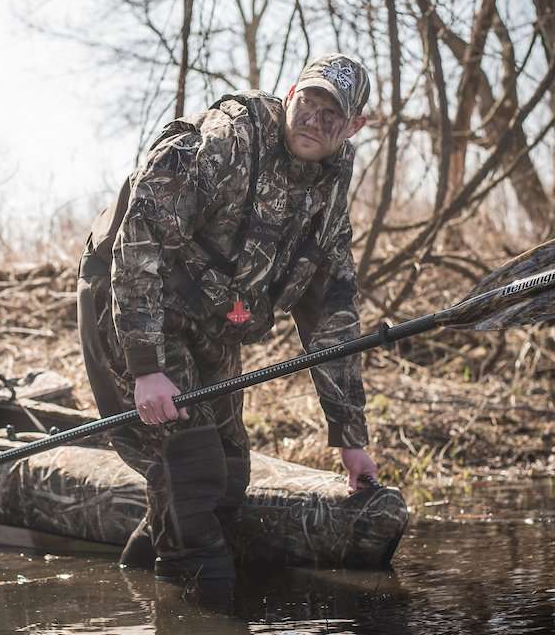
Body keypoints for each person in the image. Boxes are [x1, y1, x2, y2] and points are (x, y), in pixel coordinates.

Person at [76, 53, 375, 594]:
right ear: (290, 93)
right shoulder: (227, 141)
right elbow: (139, 243)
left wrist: (349, 436)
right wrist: (147, 369)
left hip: (211, 320)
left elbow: (332, 312)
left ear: (355, 126)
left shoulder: (329, 191)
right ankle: (197, 604)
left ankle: (139, 580)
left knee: (230, 476)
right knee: (189, 463)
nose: (314, 119)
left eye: (333, 114)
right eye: (309, 101)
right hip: (130, 298)